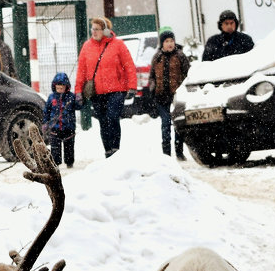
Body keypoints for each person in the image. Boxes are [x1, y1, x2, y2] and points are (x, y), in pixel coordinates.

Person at [74, 16, 136, 158]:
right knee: (103, 121)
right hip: (97, 92)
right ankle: (108, 151)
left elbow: (129, 66)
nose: (93, 32)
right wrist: (78, 91)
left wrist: (132, 86)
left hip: (116, 90)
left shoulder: (118, 45)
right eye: (92, 29)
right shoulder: (87, 47)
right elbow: (81, 71)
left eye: (97, 29)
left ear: (106, 31)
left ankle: (115, 149)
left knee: (112, 117)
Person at [149, 28, 189, 159]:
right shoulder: (157, 57)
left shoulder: (180, 56)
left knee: (178, 125)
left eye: (172, 41)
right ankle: (166, 153)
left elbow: (188, 74)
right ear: (162, 43)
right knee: (165, 124)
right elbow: (152, 76)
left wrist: (184, 89)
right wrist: (153, 88)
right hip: (161, 97)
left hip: (176, 96)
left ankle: (179, 151)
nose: (170, 43)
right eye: (167, 41)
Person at [43, 72, 78, 168]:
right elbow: (46, 111)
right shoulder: (51, 97)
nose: (60, 88)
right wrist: (45, 123)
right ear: (54, 86)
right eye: (58, 85)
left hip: (68, 127)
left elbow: (78, 106)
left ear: (67, 86)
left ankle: (69, 162)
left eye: (62, 85)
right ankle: (56, 163)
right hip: (55, 127)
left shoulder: (71, 97)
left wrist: (80, 99)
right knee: (55, 148)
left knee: (69, 146)